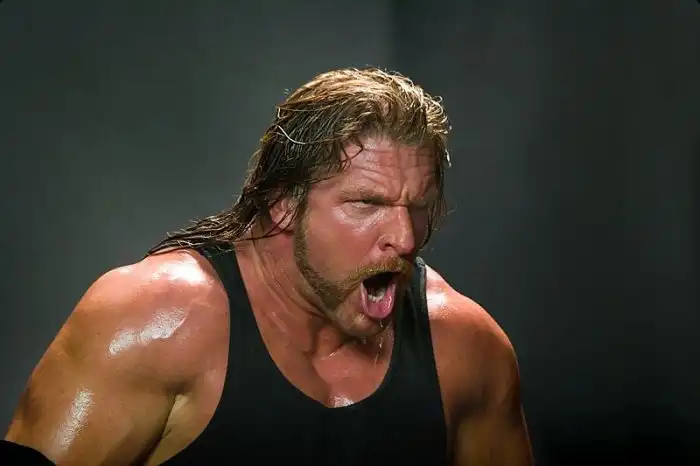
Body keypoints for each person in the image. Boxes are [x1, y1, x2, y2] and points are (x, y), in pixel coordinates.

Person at [2, 68, 534, 465]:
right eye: (366, 203)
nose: (406, 237)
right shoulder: (156, 323)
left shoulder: (465, 348)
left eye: (417, 207)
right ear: (283, 203)